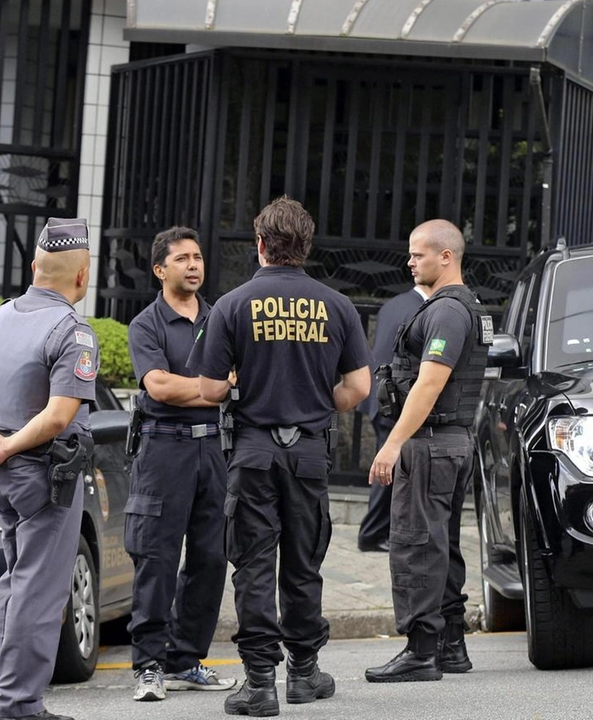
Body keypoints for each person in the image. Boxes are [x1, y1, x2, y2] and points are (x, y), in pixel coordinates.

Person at [188, 195, 371, 717]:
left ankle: (260, 681)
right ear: (305, 245)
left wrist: (239, 382)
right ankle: (306, 673)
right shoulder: (337, 306)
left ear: (260, 242)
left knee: (252, 563)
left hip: (252, 451)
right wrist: (316, 403)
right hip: (310, 452)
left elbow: (207, 389)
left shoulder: (231, 305)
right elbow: (358, 386)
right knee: (304, 560)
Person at [0, 217, 98, 720]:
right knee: (40, 591)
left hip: (2, 476)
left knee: (17, 583)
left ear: (34, 266)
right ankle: (16, 706)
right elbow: (60, 415)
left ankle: (7, 698)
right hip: (44, 474)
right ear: (82, 276)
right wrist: (9, 446)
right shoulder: (73, 331)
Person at [364, 219, 489, 683]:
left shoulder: (448, 312)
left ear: (446, 257)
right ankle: (451, 646)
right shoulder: (459, 307)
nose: (410, 261)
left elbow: (430, 382)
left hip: (431, 443)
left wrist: (393, 442)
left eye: (418, 254)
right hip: (450, 443)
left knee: (417, 545)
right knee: (441, 545)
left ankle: (420, 651)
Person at [125, 227, 237, 701]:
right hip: (163, 450)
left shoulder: (221, 318)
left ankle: (186, 659)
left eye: (197, 257)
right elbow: (160, 388)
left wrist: (203, 387)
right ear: (160, 270)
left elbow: (240, 378)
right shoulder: (145, 325)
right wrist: (216, 386)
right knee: (158, 557)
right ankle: (148, 665)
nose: (194, 265)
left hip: (215, 449)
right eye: (182, 259)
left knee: (212, 558)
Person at [355, 286, 427, 553]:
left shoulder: (395, 304)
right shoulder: (418, 310)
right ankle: (372, 533)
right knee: (387, 469)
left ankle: (377, 530)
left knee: (389, 467)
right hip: (392, 401)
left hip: (381, 396)